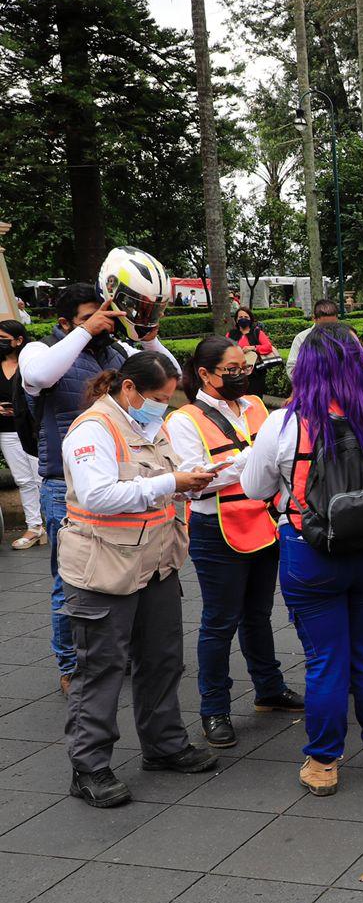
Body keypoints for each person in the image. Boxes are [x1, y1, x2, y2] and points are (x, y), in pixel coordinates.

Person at [240, 323, 363, 796]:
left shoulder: (284, 423)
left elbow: (254, 488)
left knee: (326, 660)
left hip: (311, 552)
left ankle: (323, 763)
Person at [59, 352, 221, 806]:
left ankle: (165, 746)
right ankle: (89, 767)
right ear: (128, 388)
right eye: (156, 398)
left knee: (163, 659)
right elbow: (100, 494)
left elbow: (163, 480)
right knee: (102, 669)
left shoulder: (149, 425)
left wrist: (196, 480)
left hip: (157, 563)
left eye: (168, 400)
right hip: (103, 570)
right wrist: (172, 483)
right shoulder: (94, 429)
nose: (162, 408)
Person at [20, 284, 176, 695]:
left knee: (130, 572)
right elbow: (38, 376)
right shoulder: (38, 350)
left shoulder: (117, 353)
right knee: (70, 581)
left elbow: (166, 375)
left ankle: (115, 653)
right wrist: (86, 331)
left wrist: (147, 335)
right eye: (94, 314)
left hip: (125, 478)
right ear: (66, 321)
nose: (105, 321)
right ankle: (72, 665)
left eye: (108, 314)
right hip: (62, 485)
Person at [166, 335, 302, 748]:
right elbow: (195, 482)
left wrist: (252, 459)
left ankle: (269, 687)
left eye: (245, 367)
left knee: (258, 614)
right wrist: (252, 456)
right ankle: (214, 708)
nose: (242, 375)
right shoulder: (184, 420)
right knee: (219, 622)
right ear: (205, 374)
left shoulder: (256, 406)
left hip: (264, 521)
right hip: (215, 530)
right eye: (232, 370)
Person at [0, 320, 44, 549]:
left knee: (41, 478)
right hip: (6, 430)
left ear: (18, 340)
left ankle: (53, 522)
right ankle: (34, 526)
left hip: (32, 428)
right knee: (24, 480)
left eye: (4, 339)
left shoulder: (31, 361)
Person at [286, 299, 342, 372]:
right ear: (314, 319)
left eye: (332, 325)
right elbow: (292, 367)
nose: (328, 329)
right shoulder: (302, 338)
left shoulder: (343, 336)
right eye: (324, 325)